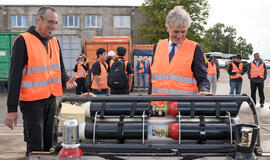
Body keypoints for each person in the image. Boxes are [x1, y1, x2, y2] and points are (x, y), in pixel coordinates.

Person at [4, 7, 77, 155]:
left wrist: (66, 80)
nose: (54, 26)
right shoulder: (23, 40)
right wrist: (12, 109)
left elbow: (60, 69)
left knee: (50, 144)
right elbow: (15, 76)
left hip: (50, 100)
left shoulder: (54, 41)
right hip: (32, 103)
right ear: (38, 20)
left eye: (56, 23)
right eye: (50, 22)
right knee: (36, 145)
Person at [148, 6, 212, 104]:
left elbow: (202, 79)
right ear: (167, 28)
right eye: (176, 32)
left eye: (183, 32)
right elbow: (152, 80)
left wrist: (204, 89)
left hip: (183, 109)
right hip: (157, 109)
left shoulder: (195, 48)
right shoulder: (158, 47)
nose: (180, 36)